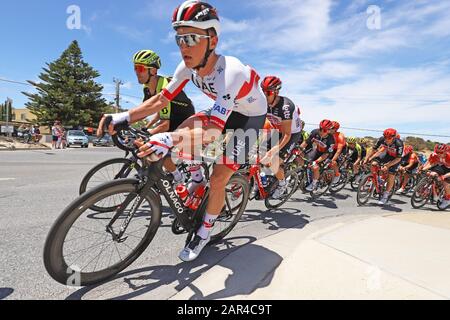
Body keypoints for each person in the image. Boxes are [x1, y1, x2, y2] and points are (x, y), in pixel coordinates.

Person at [98, 1, 267, 262]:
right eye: (179, 39)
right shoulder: (186, 68)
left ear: (212, 39)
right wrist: (124, 116)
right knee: (184, 130)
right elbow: (160, 101)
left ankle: (205, 231)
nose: (183, 46)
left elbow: (211, 132)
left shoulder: (230, 72)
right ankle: (196, 178)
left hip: (250, 118)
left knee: (220, 175)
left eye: (191, 38)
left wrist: (168, 137)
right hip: (226, 109)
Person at [132, 49, 196, 135]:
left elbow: (165, 125)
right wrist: (144, 127)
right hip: (171, 116)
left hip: (185, 117)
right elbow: (146, 111)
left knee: (153, 140)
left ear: (153, 71)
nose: (137, 72)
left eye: (140, 68)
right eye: (135, 68)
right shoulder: (146, 88)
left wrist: (147, 133)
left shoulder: (164, 87)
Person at [260, 76, 303, 199]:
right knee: (257, 154)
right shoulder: (263, 103)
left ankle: (282, 184)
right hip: (277, 130)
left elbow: (287, 135)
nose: (264, 95)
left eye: (267, 92)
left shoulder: (285, 107)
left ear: (276, 92)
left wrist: (272, 151)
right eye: (262, 91)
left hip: (291, 134)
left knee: (273, 161)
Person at [365, 128, 404, 205]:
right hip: (387, 155)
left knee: (391, 174)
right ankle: (377, 180)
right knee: (374, 164)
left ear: (394, 137)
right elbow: (373, 149)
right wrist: (367, 158)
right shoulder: (382, 139)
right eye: (385, 137)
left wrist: (388, 165)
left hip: (396, 159)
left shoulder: (399, 143)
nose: (387, 139)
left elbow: (398, 158)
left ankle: (386, 195)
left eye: (389, 138)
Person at [297, 120, 335, 191]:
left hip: (326, 155)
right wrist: (299, 150)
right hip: (317, 151)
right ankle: (305, 175)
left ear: (329, 131)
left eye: (324, 130)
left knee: (315, 167)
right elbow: (306, 142)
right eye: (321, 129)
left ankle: (314, 184)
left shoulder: (331, 140)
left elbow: (326, 154)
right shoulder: (315, 132)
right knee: (302, 160)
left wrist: (316, 161)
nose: (321, 132)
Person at [420, 144, 450, 210]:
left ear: (445, 152)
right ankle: (434, 190)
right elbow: (431, 163)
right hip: (444, 166)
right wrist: (423, 169)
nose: (438, 154)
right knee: (432, 174)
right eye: (437, 152)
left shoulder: (449, 157)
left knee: (445, 182)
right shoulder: (435, 155)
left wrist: (443, 176)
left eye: (441, 152)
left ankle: (448, 199)